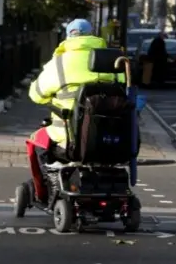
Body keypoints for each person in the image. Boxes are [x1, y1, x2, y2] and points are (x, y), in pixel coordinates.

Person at [27, 19, 126, 201]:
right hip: (110, 137)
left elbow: (36, 94)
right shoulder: (113, 60)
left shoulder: (59, 63)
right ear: (92, 34)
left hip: (69, 137)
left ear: (68, 36)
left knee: (37, 141)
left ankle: (47, 190)